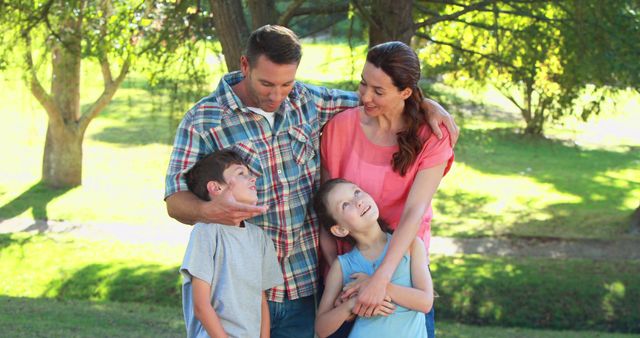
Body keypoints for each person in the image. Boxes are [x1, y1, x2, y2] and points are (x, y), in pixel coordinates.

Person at [165, 25, 457, 338]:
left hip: (301, 282)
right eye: (266, 84)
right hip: (239, 283)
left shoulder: (306, 101)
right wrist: (212, 212)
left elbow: (377, 102)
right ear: (245, 66)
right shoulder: (204, 119)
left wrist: (425, 105)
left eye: (286, 84)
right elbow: (174, 199)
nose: (276, 95)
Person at [319, 41, 455, 338]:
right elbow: (325, 210)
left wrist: (381, 280)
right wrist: (337, 276)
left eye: (379, 91)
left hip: (403, 274)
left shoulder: (431, 135)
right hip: (351, 278)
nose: (365, 96)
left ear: (405, 93)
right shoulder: (339, 128)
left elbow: (414, 212)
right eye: (363, 84)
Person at [180, 149, 283, 338]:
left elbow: (260, 300)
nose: (252, 178)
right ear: (216, 188)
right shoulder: (206, 232)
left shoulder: (259, 237)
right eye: (241, 174)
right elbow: (201, 305)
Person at [314, 179, 433, 338]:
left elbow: (425, 302)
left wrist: (374, 285)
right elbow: (321, 328)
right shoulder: (342, 266)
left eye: (356, 192)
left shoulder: (411, 245)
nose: (358, 201)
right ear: (340, 229)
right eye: (345, 205)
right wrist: (353, 303)